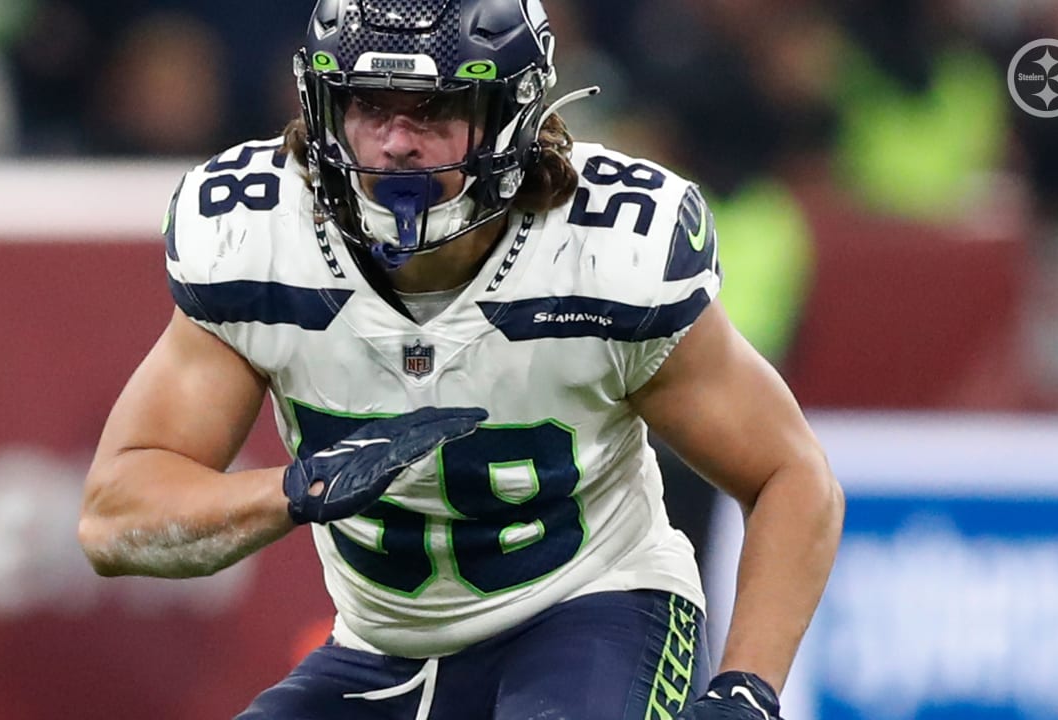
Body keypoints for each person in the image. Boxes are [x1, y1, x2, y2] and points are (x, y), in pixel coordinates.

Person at [77, 1, 845, 718]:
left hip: (592, 608)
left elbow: (790, 474)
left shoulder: (605, 251)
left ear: (510, 115)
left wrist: (747, 689)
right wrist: (291, 491)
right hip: (382, 645)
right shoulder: (258, 240)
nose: (397, 141)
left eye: (436, 109)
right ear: (322, 107)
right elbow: (115, 514)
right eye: (369, 104)